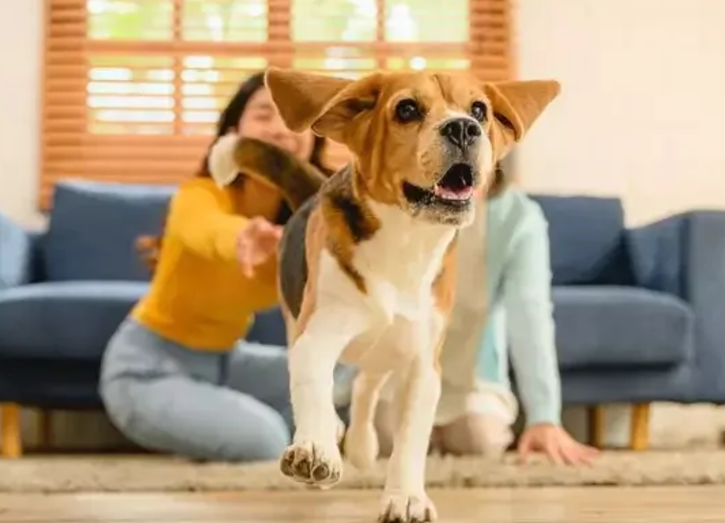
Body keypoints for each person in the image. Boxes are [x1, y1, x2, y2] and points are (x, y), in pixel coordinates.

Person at [99, 72, 330, 462]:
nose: (280, 129)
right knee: (266, 439)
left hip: (228, 361)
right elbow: (204, 229)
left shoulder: (316, 220)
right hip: (147, 368)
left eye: (294, 118)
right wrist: (242, 237)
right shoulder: (200, 195)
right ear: (233, 130)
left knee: (343, 374)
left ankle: (215, 429)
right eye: (263, 114)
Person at [370, 165, 599, 465]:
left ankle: (482, 423)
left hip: (472, 375)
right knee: (386, 438)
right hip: (396, 366)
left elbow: (531, 315)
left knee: (479, 439)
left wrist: (544, 416)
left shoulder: (519, 217)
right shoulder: (395, 199)